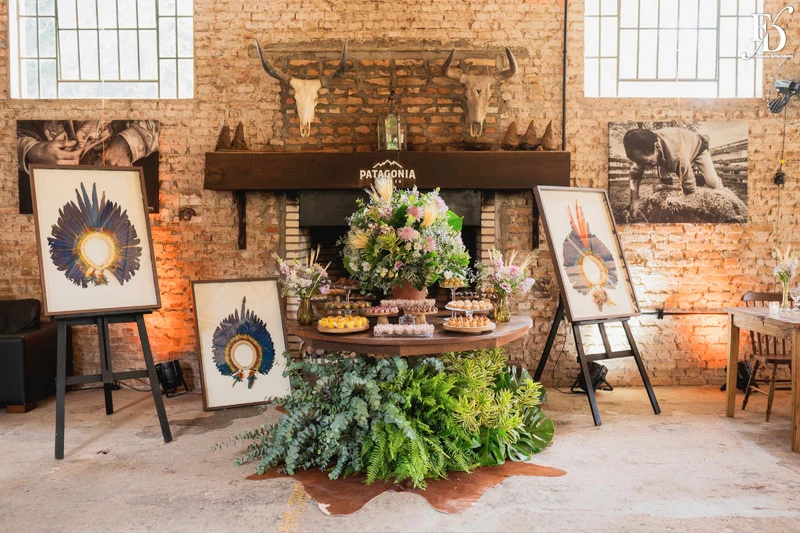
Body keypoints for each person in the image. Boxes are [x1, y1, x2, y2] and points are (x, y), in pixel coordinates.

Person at [622, 127, 723, 216]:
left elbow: (690, 190)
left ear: (657, 147)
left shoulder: (678, 156)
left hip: (698, 147)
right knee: (663, 180)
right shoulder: (644, 145)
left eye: (648, 162)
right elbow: (634, 175)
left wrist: (667, 187)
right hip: (666, 152)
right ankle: (678, 180)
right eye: (641, 163)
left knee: (712, 182)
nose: (647, 168)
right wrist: (634, 200)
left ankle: (702, 180)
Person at [18, 119, 158, 173]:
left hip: (114, 180)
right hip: (47, 187)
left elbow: (172, 122)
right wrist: (30, 150)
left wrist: (127, 144)